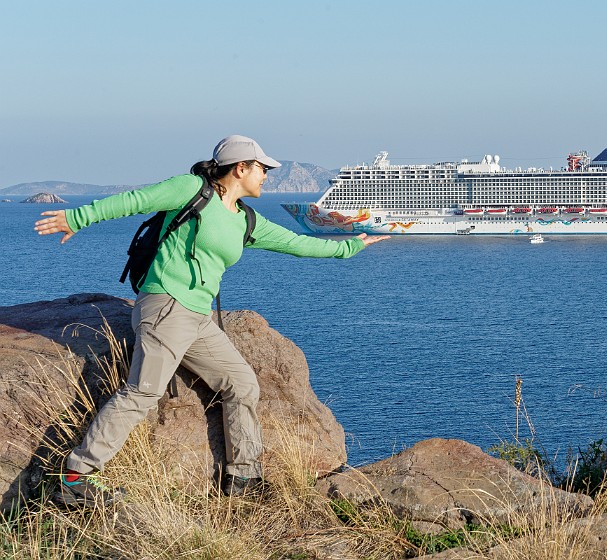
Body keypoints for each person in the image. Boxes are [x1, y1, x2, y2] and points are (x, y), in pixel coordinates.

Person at [34, 135, 388, 507]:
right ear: (240, 168)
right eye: (262, 168)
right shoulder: (191, 190)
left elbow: (297, 243)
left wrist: (349, 246)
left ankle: (243, 477)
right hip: (166, 306)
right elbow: (134, 201)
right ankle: (76, 476)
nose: (266, 176)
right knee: (142, 393)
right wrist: (76, 217)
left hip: (198, 318)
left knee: (241, 384)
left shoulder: (245, 219)